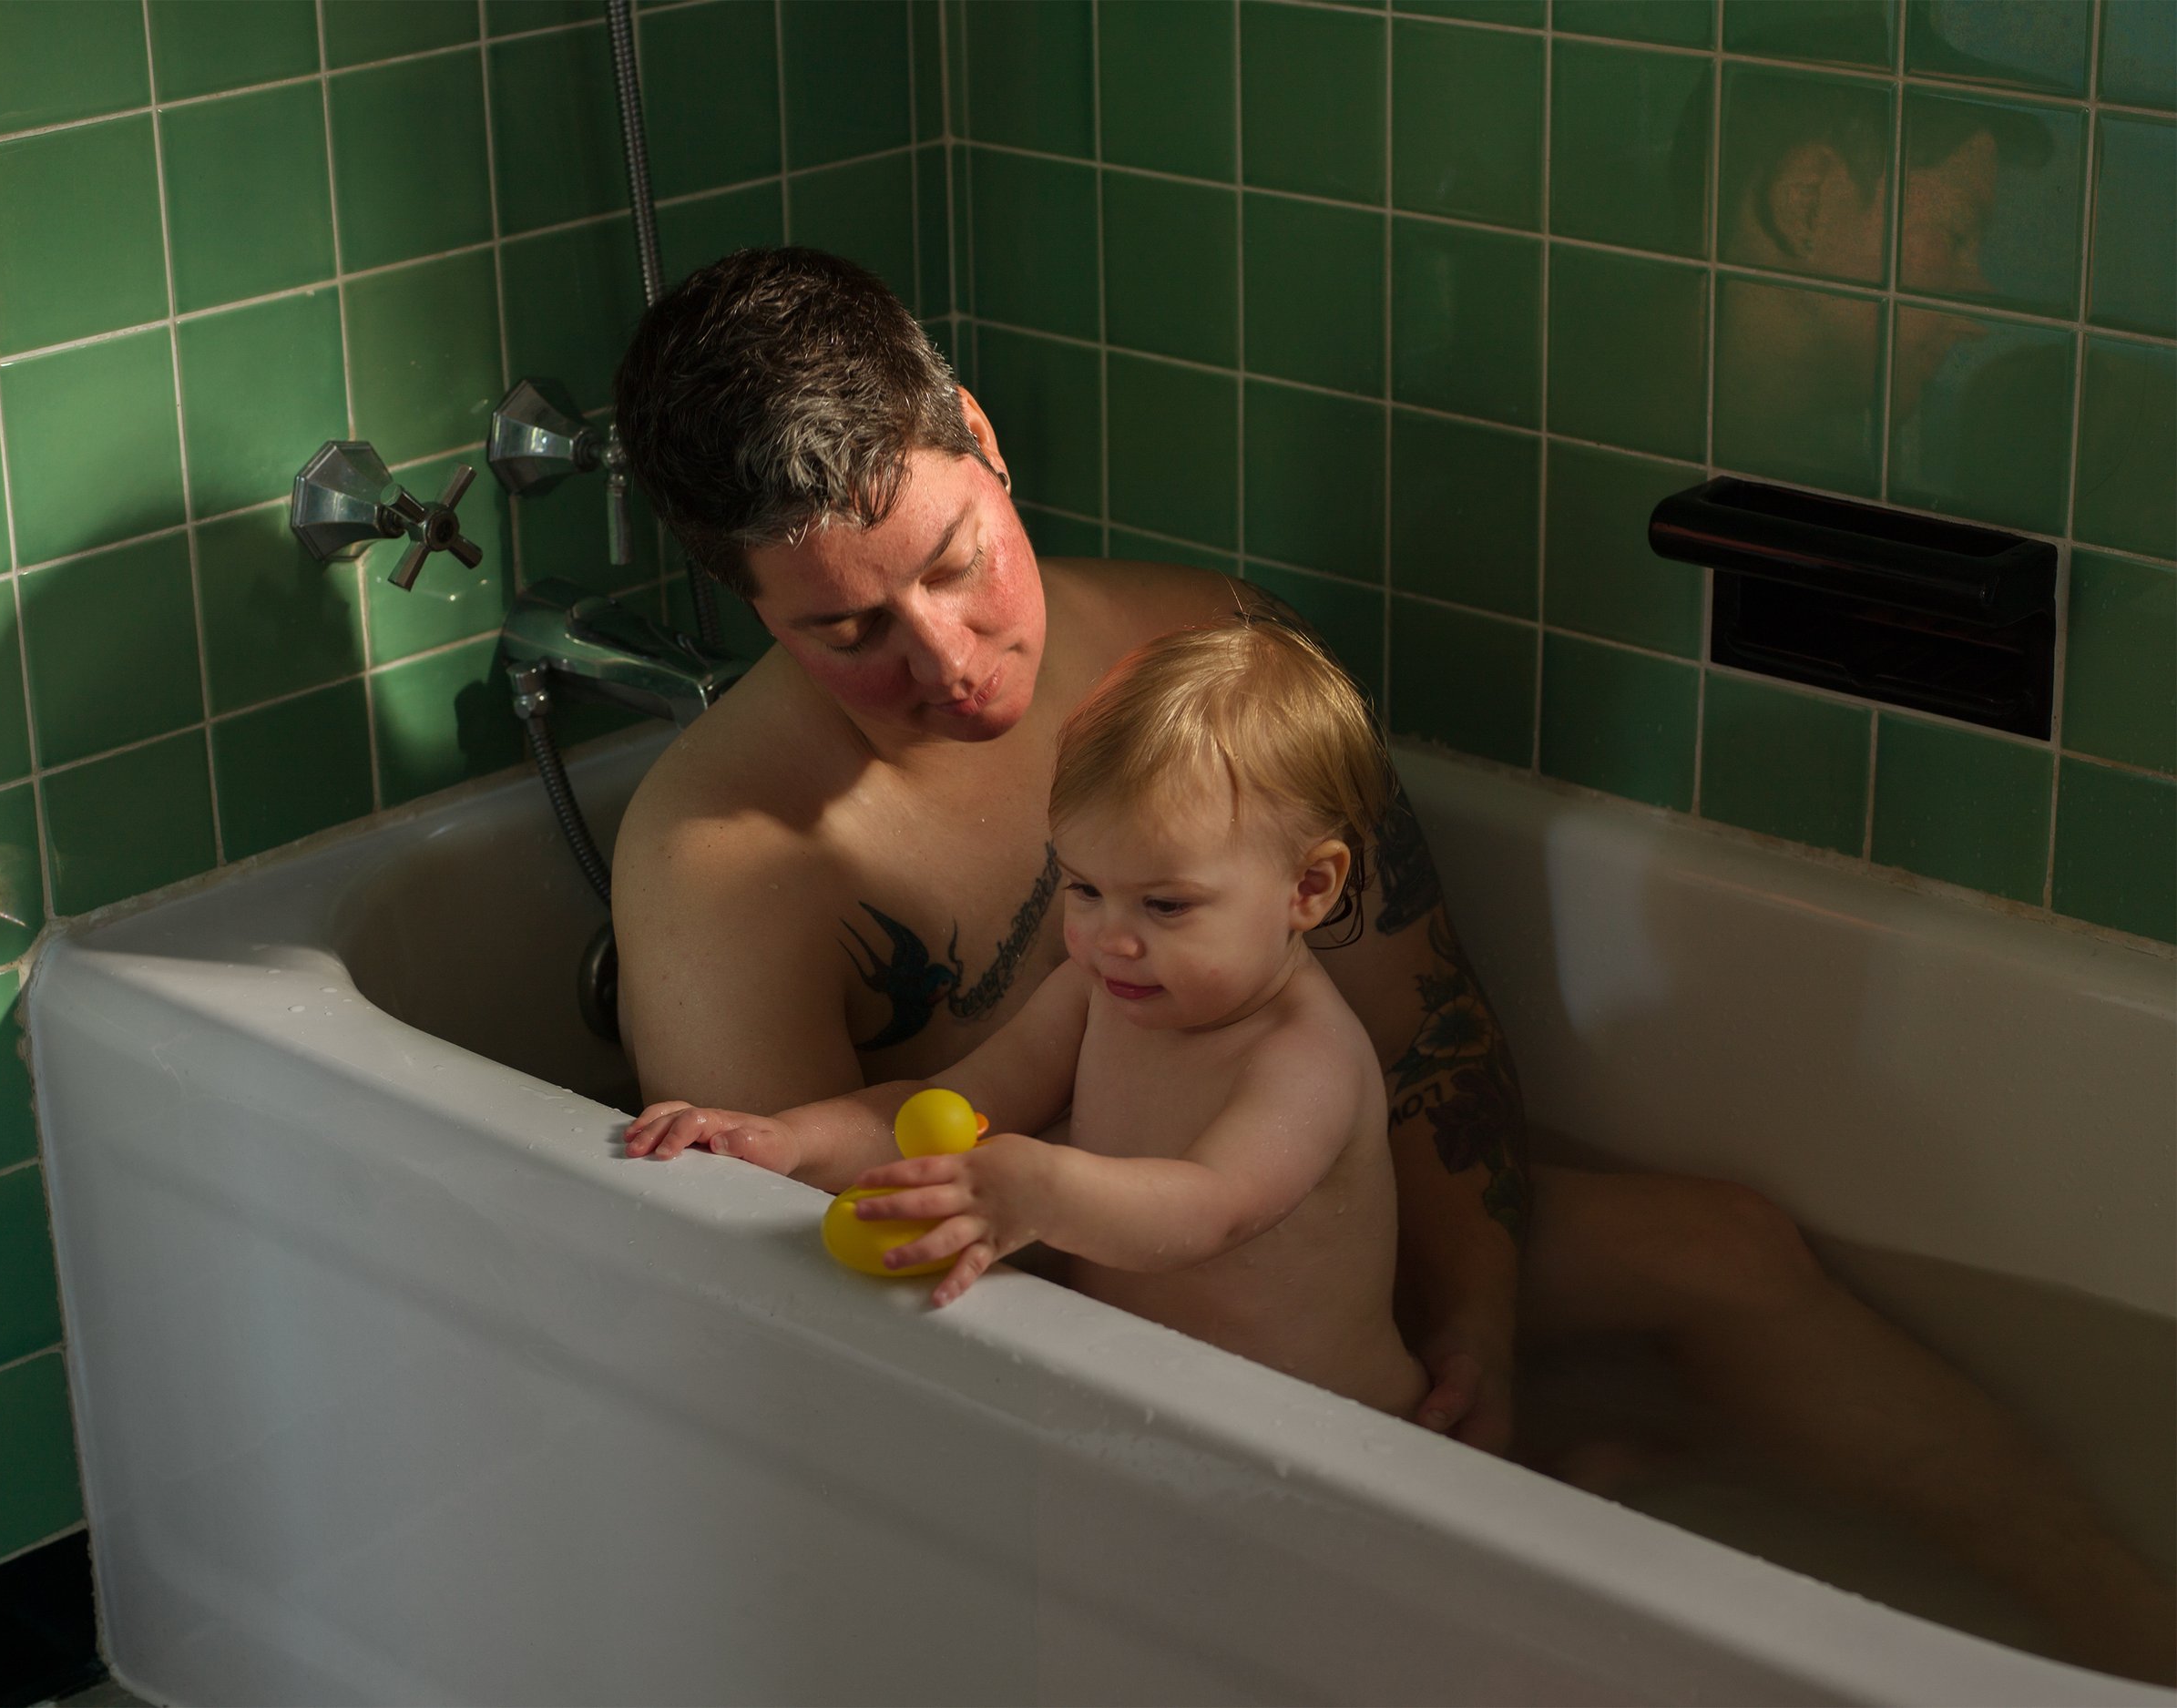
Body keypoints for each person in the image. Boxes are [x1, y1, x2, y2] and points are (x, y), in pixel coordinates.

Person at [608, 247, 2172, 1683]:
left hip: (1296, 1238)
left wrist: (1471, 1327)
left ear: (987, 440)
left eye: (959, 560)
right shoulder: (727, 868)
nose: (947, 661)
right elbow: (797, 1344)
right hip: (1069, 1366)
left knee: (1733, 1252)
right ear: (748, 613)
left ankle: (2120, 1630)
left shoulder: (1200, 659)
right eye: (849, 632)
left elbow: (1425, 1044)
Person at [625, 619, 1426, 1419]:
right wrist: (787, 1140)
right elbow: (948, 1101)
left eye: (1165, 904)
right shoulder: (1098, 993)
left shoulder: (1301, 1058)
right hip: (1156, 1405)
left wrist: (1039, 1190)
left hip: (1328, 1434)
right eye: (1085, 889)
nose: (1110, 939)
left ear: (1308, 889)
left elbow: (1211, 1207)